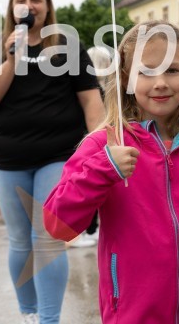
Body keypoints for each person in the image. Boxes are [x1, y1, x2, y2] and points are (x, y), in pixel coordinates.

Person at [43, 20, 179, 324]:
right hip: (132, 313)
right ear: (126, 78)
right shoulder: (104, 145)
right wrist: (103, 169)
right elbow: (58, 225)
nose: (160, 82)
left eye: (172, 70)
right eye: (146, 71)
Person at [0, 0, 103, 324]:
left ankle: (49, 319)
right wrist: (11, 61)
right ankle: (28, 313)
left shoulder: (67, 45)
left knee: (47, 237)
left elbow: (91, 102)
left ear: (47, 7)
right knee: (19, 240)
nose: (28, 6)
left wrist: (97, 147)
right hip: (10, 157)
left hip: (58, 154)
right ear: (12, 7)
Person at [67, 46, 113, 248]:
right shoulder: (100, 90)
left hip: (82, 140)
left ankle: (87, 230)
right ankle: (87, 230)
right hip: (90, 141)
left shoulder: (86, 88)